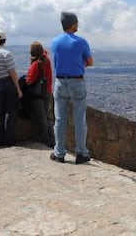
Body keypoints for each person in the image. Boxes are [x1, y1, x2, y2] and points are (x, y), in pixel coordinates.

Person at [50, 11, 93, 164]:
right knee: (79, 119)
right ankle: (81, 153)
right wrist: (80, 64)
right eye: (77, 22)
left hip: (60, 82)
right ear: (73, 24)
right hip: (77, 82)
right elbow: (90, 61)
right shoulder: (80, 42)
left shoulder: (55, 42)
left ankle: (59, 153)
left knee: (59, 119)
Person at [25, 41, 54, 147]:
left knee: (41, 117)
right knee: (47, 116)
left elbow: (29, 80)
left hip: (38, 93)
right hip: (48, 90)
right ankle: (51, 137)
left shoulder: (36, 64)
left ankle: (47, 140)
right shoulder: (47, 60)